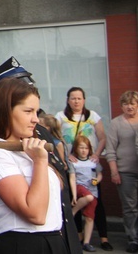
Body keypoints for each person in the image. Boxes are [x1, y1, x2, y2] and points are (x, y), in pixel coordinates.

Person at [0, 70, 68, 253]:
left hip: (52, 241)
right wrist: (39, 162)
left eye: (36, 111)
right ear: (5, 112)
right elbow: (35, 214)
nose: (35, 119)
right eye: (28, 111)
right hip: (23, 244)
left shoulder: (28, 148)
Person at [56, 87, 111, 251]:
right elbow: (58, 139)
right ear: (68, 100)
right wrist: (66, 157)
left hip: (89, 165)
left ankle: (103, 237)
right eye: (73, 98)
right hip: (73, 164)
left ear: (84, 100)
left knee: (97, 202)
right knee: (75, 197)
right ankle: (78, 237)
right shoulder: (61, 116)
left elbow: (102, 138)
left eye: (79, 98)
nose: (76, 101)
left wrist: (97, 154)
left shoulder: (93, 116)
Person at [105, 90, 138, 253]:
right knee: (130, 207)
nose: (129, 107)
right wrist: (114, 172)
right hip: (126, 172)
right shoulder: (116, 123)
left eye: (132, 103)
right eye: (126, 104)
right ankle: (133, 239)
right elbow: (110, 150)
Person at [70, 135, 102, 252]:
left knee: (89, 217)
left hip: (92, 190)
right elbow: (72, 178)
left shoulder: (93, 162)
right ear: (76, 148)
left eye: (86, 148)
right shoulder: (74, 162)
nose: (84, 151)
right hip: (80, 187)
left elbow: (99, 174)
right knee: (88, 197)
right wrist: (74, 195)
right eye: (81, 148)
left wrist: (97, 180)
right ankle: (73, 211)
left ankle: (86, 242)